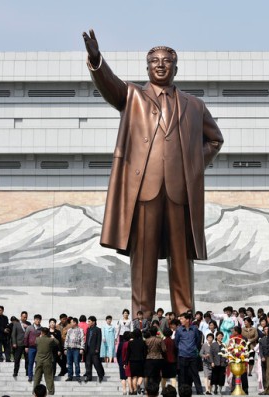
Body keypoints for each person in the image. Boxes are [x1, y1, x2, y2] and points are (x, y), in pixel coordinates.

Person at [82, 29, 224, 316]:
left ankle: (185, 318)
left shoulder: (194, 105)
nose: (161, 65)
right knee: (143, 260)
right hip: (145, 191)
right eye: (155, 61)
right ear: (147, 68)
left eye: (167, 61)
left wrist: (193, 166)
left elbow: (215, 140)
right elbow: (109, 85)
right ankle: (141, 319)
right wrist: (97, 60)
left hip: (180, 193)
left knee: (182, 261)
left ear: (176, 67)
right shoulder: (132, 96)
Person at [175, 312, 203, 394]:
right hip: (182, 355)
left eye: (182, 318)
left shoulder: (194, 328)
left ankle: (199, 391)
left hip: (192, 355)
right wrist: (182, 349)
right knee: (182, 375)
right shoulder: (179, 329)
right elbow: (176, 342)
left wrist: (193, 348)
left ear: (187, 320)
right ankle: (181, 391)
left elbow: (198, 340)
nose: (180, 320)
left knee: (195, 374)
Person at [33, 327, 58, 395]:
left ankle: (34, 391)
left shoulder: (38, 339)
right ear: (48, 333)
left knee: (37, 377)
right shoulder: (50, 340)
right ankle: (51, 391)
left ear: (42, 332)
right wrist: (53, 337)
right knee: (49, 378)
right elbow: (57, 342)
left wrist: (40, 336)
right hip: (47, 361)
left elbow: (35, 343)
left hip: (39, 361)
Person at [84, 315, 105, 382]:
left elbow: (99, 340)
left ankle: (101, 375)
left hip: (94, 350)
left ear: (93, 322)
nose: (88, 323)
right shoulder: (88, 329)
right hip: (88, 350)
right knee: (88, 364)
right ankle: (89, 377)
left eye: (89, 321)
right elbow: (87, 339)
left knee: (97, 363)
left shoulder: (98, 330)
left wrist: (97, 349)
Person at [64, 317, 85, 382]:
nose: (70, 324)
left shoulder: (80, 330)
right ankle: (70, 376)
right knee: (69, 363)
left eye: (71, 322)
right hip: (69, 349)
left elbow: (82, 339)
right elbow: (66, 340)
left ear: (75, 323)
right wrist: (65, 348)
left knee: (76, 363)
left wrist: (82, 348)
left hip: (76, 349)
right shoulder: (69, 330)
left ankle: (77, 376)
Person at [24, 314, 43, 382]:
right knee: (30, 362)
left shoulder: (42, 329)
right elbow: (26, 337)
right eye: (36, 319)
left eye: (39, 319)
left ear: (40, 320)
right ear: (34, 320)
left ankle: (38, 376)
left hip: (39, 348)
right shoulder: (29, 327)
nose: (37, 321)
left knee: (38, 363)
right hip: (31, 347)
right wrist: (26, 346)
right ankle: (30, 376)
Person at [11, 311, 30, 377]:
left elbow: (31, 332)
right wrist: (14, 342)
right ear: (21, 316)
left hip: (26, 344)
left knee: (27, 359)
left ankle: (27, 372)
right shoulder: (16, 324)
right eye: (24, 317)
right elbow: (13, 334)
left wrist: (27, 327)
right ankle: (15, 372)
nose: (25, 318)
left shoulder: (28, 324)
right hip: (18, 344)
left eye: (26, 317)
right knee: (17, 359)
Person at [210, 331, 227, 395]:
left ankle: (220, 389)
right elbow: (211, 354)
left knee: (222, 377)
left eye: (221, 336)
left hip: (222, 364)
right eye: (219, 335)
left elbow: (226, 354)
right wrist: (212, 362)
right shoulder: (213, 344)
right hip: (215, 363)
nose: (220, 337)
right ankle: (215, 387)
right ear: (216, 337)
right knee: (215, 377)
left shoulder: (224, 344)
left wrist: (226, 362)